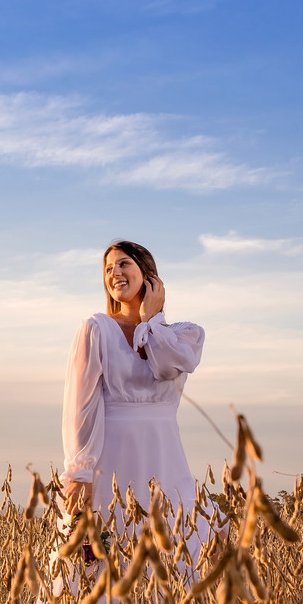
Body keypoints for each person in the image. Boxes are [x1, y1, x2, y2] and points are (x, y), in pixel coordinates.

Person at [60, 240, 210, 567]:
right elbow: (79, 405)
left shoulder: (183, 336)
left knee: (184, 552)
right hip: (109, 461)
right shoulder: (95, 329)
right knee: (101, 562)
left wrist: (150, 319)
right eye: (108, 268)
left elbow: (166, 367)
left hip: (165, 461)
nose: (115, 273)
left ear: (149, 275)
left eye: (124, 264)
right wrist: (79, 471)